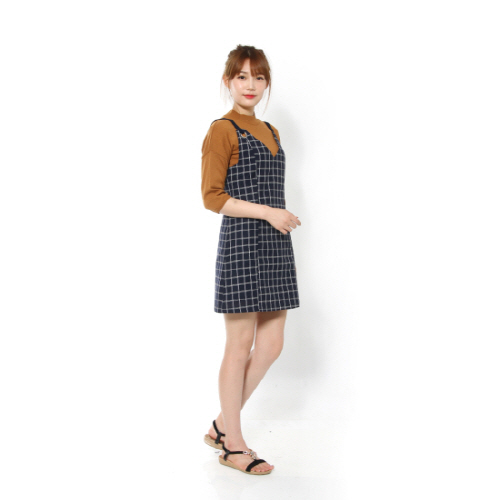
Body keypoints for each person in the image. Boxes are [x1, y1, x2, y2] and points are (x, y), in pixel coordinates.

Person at [200, 45, 301, 476]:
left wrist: (276, 218)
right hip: (243, 243)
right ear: (228, 81)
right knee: (239, 346)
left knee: (272, 345)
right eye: (242, 76)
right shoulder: (222, 130)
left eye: (258, 77)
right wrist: (269, 213)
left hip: (275, 245)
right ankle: (233, 445)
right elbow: (212, 198)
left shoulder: (271, 130)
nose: (251, 85)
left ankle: (222, 425)